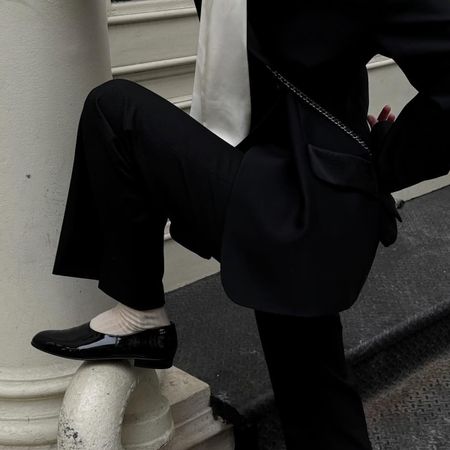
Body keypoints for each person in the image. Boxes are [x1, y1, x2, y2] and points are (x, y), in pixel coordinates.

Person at [30, 0, 450, 449]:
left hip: (309, 203)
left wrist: (386, 162)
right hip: (269, 190)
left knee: (114, 111)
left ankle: (142, 315)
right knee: (313, 397)